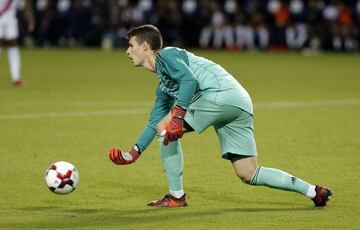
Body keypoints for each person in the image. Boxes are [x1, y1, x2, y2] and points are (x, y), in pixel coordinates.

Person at [109, 24, 332, 207]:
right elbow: (152, 122)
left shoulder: (166, 56)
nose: (127, 52)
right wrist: (133, 153)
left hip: (218, 94)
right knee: (248, 172)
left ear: (145, 46)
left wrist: (176, 119)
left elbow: (189, 81)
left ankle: (176, 196)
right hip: (239, 101)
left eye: (131, 46)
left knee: (165, 127)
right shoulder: (163, 86)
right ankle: (314, 191)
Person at [0, 0, 34, 87]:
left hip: (11, 19)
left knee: (13, 45)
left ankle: (16, 78)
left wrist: (30, 18)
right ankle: (16, 79)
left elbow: (27, 3)